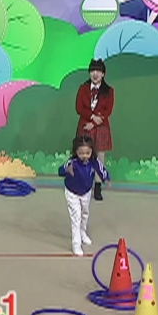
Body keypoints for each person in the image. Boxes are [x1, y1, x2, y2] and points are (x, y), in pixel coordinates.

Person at [58, 135, 111, 256]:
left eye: (87, 153)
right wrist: (67, 170)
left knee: (85, 213)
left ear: (92, 151)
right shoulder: (72, 162)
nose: (85, 156)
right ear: (76, 152)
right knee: (76, 217)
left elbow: (101, 170)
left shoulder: (93, 161)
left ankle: (83, 232)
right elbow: (60, 170)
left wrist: (106, 178)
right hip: (72, 193)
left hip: (86, 192)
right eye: (81, 153)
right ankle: (76, 244)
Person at [76, 58, 115, 201]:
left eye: (98, 71)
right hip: (85, 125)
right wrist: (92, 117)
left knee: (100, 158)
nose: (95, 74)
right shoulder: (83, 88)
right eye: (92, 70)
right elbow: (79, 108)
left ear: (103, 74)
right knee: (82, 156)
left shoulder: (109, 91)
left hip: (101, 127)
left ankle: (98, 188)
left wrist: (94, 122)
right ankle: (82, 185)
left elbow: (108, 110)